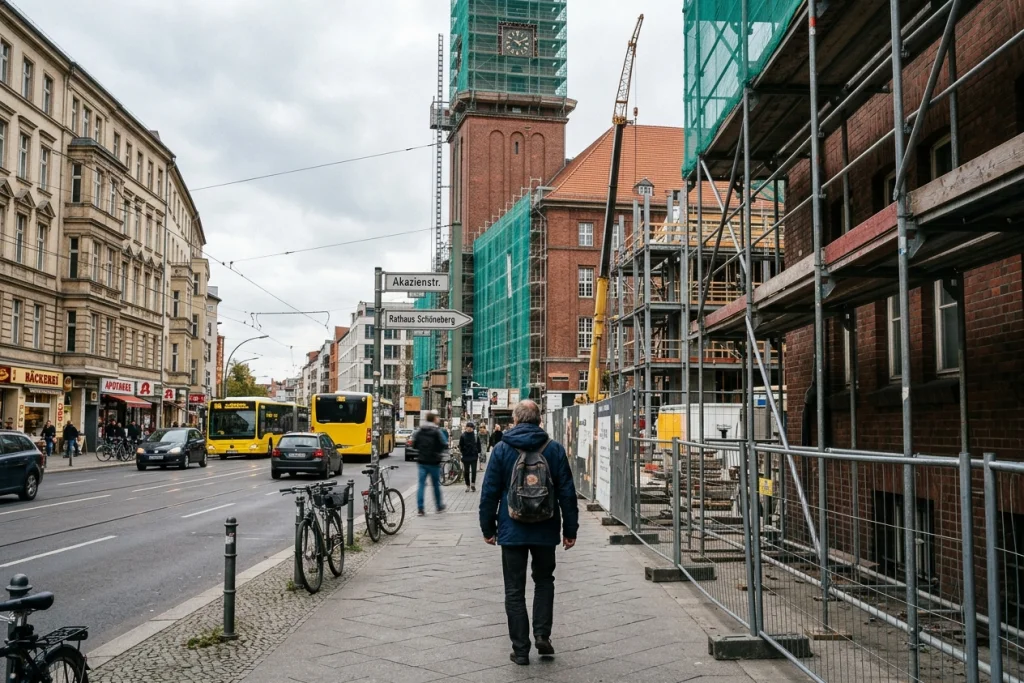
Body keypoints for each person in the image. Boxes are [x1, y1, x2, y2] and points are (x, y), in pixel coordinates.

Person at [479, 400, 579, 666]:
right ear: (538, 420)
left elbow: (489, 492)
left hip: (512, 528)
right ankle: (542, 634)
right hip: (546, 528)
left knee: (514, 589)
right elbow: (568, 493)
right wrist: (570, 530)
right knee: (545, 581)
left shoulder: (501, 449)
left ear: (515, 419)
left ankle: (521, 649)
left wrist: (488, 528)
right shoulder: (554, 449)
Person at [413, 412, 447, 516]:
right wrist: (438, 452)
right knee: (435, 485)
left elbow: (414, 445)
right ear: (433, 419)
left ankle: (420, 508)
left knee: (421, 485)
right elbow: (443, 444)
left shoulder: (419, 431)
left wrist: (422, 450)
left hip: (422, 461)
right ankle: (438, 506)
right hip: (434, 462)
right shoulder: (437, 431)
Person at [459, 422, 482, 492]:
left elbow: (479, 445)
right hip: (466, 456)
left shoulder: (475, 436)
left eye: (471, 427)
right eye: (468, 427)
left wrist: (477, 452)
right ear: (466, 427)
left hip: (473, 456)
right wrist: (463, 451)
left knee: (474, 471)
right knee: (466, 471)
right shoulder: (463, 436)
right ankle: (467, 485)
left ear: (472, 428)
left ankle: (473, 484)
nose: (469, 429)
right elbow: (461, 445)